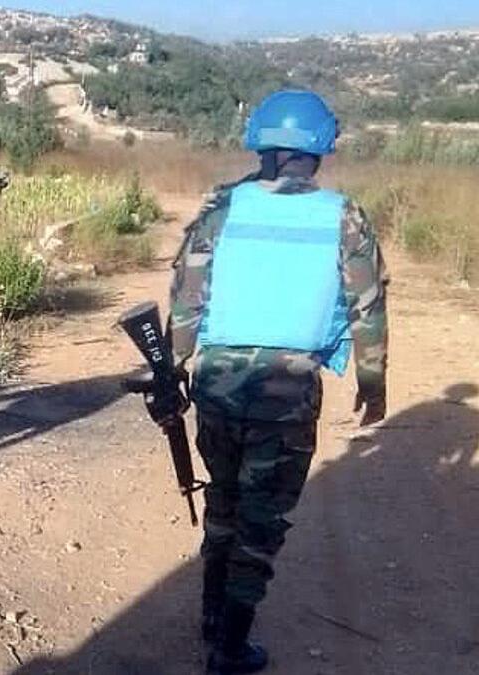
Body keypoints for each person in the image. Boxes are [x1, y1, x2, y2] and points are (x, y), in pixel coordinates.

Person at [168, 90, 388, 674]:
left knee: (224, 499)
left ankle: (212, 615)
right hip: (287, 392)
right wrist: (373, 383)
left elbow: (187, 300)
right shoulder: (344, 216)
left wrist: (174, 368)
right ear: (319, 150)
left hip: (217, 382)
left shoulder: (222, 208)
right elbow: (367, 307)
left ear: (261, 145)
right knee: (260, 520)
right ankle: (230, 646)